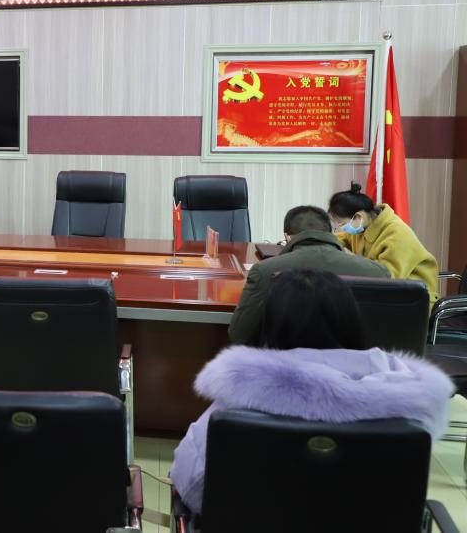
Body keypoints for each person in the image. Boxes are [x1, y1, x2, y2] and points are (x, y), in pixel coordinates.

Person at [171, 269, 453, 515]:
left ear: (271, 324)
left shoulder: (240, 395)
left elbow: (192, 483)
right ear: (351, 321)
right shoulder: (407, 401)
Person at [228, 205, 389, 344]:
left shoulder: (265, 271)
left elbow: (239, 334)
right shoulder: (376, 272)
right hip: (352, 367)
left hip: (284, 366)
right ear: (331, 232)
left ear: (287, 236)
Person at [328, 182, 439, 304]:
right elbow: (339, 239)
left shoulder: (397, 233)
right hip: (384, 294)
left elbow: (388, 277)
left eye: (342, 224)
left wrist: (351, 259)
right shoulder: (362, 226)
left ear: (358, 217)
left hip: (414, 298)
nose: (341, 229)